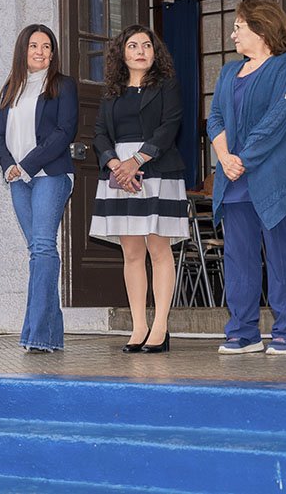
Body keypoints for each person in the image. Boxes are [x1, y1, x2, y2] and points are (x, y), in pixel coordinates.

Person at [207, 0, 286, 356]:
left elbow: (278, 119)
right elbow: (214, 118)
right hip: (234, 180)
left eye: (238, 27)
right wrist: (224, 158)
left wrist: (242, 159)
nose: (233, 34)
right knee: (239, 259)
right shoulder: (229, 72)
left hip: (273, 179)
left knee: (281, 257)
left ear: (261, 29)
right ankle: (243, 331)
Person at [89, 25, 188, 354]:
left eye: (147, 45)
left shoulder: (166, 85)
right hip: (120, 174)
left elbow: (170, 125)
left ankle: (160, 326)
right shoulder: (112, 91)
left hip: (156, 169)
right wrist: (117, 165)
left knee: (159, 250)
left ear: (155, 52)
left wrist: (137, 161)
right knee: (132, 253)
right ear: (123, 53)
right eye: (133, 46)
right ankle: (139, 326)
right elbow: (100, 133)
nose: (141, 51)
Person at [0, 24, 78, 353]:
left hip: (51, 175)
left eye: (46, 46)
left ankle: (37, 334)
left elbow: (64, 131)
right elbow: (0, 137)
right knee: (38, 254)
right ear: (23, 51)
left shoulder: (63, 85)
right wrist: (8, 168)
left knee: (42, 248)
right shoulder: (10, 88)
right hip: (19, 179)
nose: (40, 51)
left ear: (53, 53)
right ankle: (50, 334)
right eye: (33, 46)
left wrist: (26, 164)